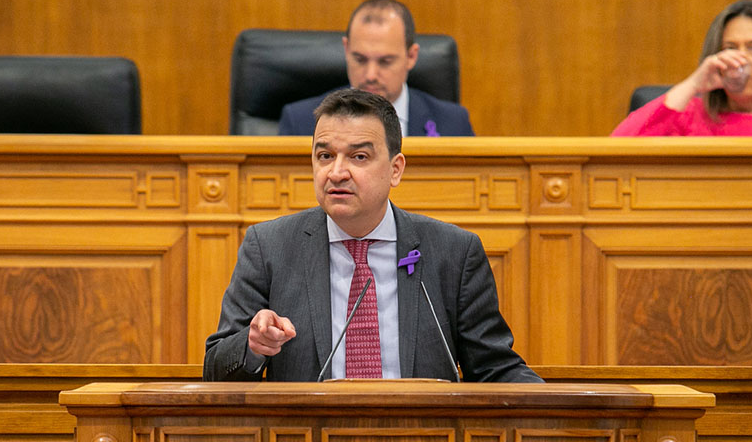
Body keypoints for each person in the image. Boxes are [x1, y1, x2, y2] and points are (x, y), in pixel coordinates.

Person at [205, 88, 538, 383]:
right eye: (325, 156)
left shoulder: (453, 252)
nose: (336, 172)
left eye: (358, 157)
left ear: (395, 169)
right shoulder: (269, 247)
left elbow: (495, 369)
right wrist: (252, 345)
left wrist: (556, 405)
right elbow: (215, 370)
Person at [612, 0, 752, 137]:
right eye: (730, 48)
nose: (740, 59)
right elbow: (618, 147)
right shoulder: (688, 117)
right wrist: (694, 83)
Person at [277, 0, 474, 137]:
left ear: (411, 56)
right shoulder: (301, 122)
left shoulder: (453, 124)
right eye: (360, 59)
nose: (370, 75)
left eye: (385, 62)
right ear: (346, 50)